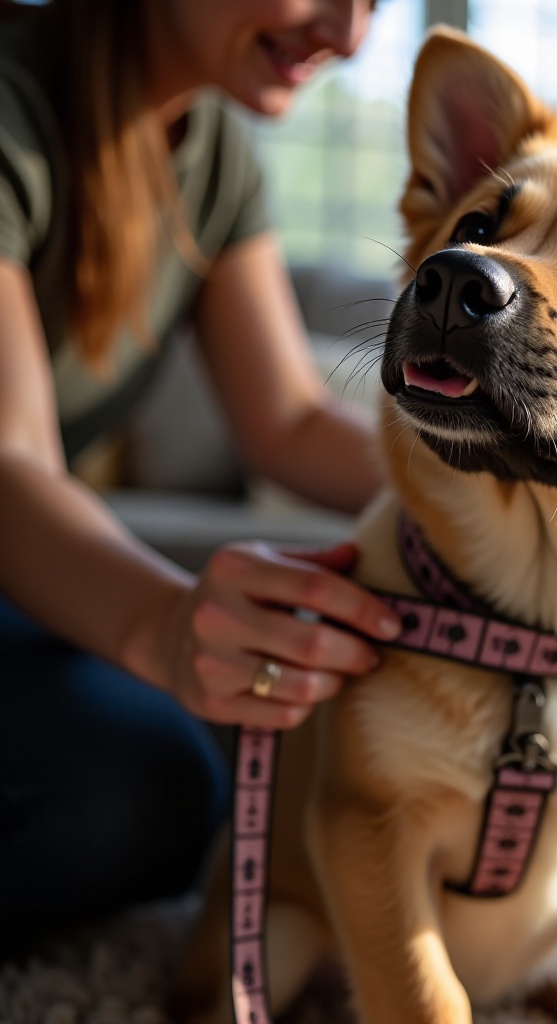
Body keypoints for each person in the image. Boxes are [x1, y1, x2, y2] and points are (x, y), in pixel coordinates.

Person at [0, 0, 403, 952]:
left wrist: (501, 493)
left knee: (168, 788)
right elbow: (9, 461)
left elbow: (290, 421)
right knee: (120, 797)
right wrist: (165, 627)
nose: (348, 37)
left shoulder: (212, 150)